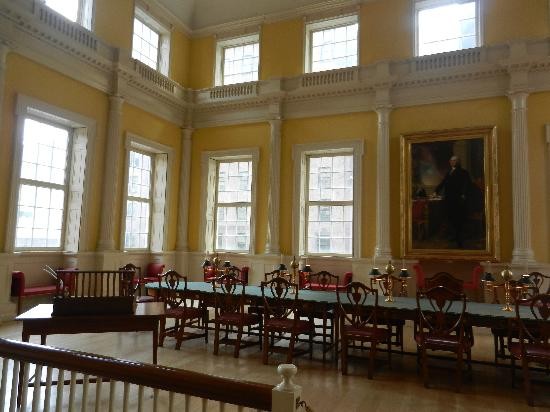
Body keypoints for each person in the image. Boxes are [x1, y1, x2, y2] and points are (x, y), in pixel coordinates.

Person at [433, 155, 472, 248]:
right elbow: (443, 182)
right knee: (450, 218)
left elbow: (467, 185)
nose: (452, 162)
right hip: (449, 200)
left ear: (458, 162)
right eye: (451, 161)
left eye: (454, 161)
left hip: (458, 200)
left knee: (458, 220)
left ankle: (459, 240)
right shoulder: (449, 172)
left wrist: (463, 195)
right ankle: (454, 236)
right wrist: (436, 191)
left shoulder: (463, 172)